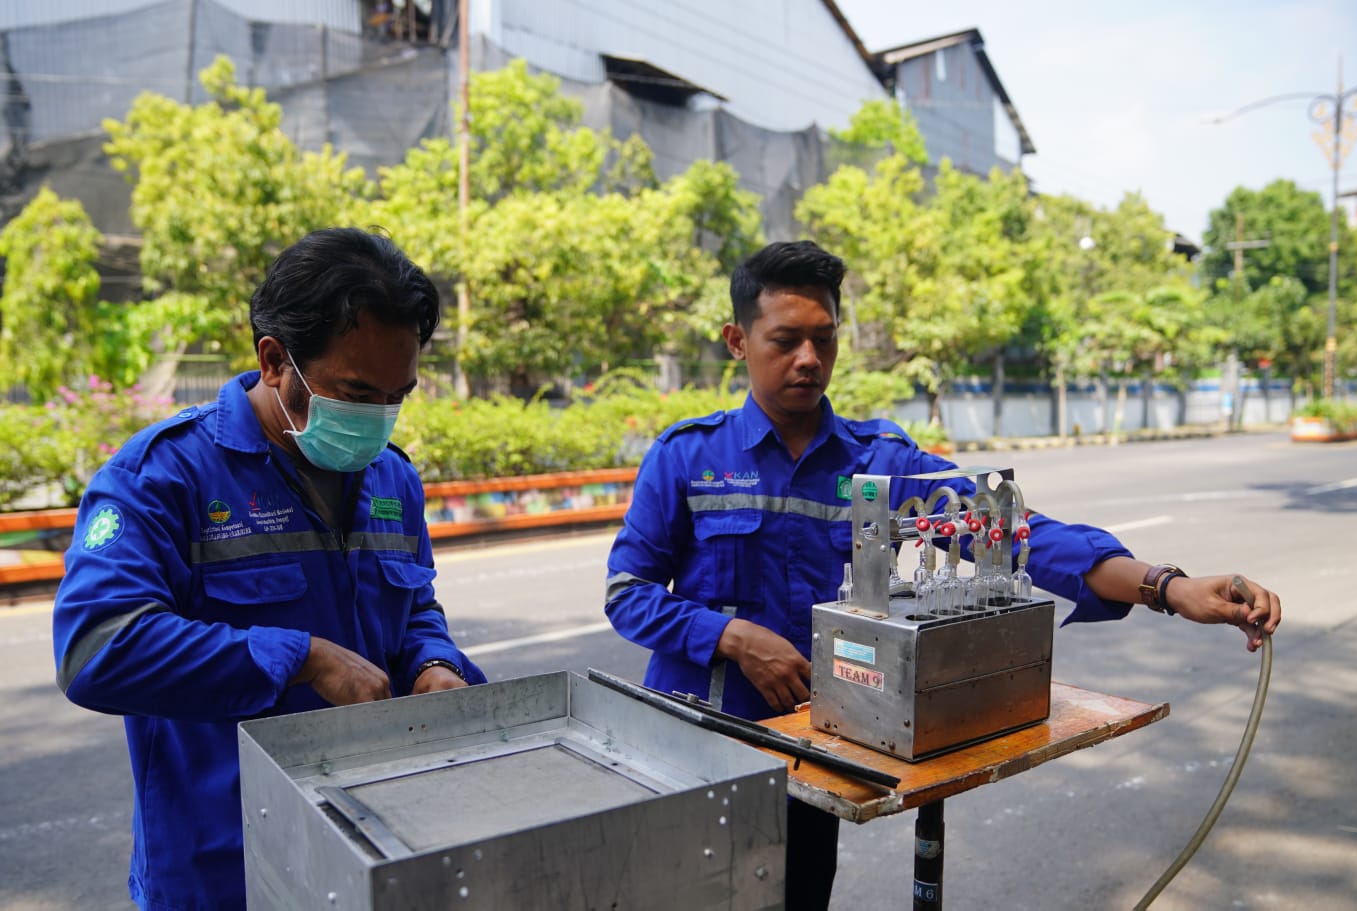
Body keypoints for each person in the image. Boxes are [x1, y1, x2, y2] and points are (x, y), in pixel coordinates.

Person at [603, 239, 1282, 911]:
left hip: (814, 751)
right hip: (696, 746)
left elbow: (1013, 529)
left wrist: (1168, 586)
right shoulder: (687, 456)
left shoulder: (880, 461)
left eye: (824, 339)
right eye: (785, 340)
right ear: (737, 340)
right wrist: (731, 637)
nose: (809, 359)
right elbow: (627, 593)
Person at [52, 228, 487, 911]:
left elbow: (414, 606)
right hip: (226, 870)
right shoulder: (165, 476)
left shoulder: (392, 478)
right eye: (355, 392)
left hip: (375, 848)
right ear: (275, 360)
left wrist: (435, 662)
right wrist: (301, 657)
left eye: (396, 396)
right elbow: (94, 650)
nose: (377, 419)